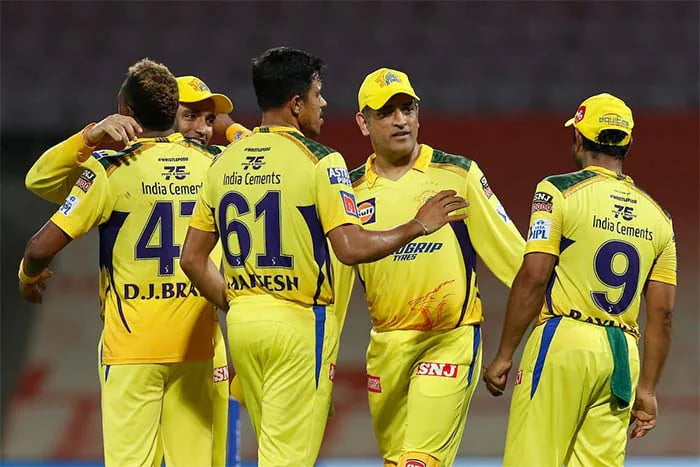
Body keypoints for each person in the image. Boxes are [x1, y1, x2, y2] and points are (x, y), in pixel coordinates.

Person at [179, 47, 467, 467]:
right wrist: (417, 225)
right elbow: (350, 248)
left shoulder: (223, 164)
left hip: (242, 323)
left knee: (273, 450)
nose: (324, 103)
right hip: (297, 324)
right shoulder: (322, 160)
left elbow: (191, 258)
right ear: (297, 103)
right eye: (318, 94)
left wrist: (239, 301)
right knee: (288, 459)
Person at [23, 74, 249, 467]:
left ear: (129, 112)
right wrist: (235, 131)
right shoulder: (217, 167)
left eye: (210, 119)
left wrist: (28, 276)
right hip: (196, 345)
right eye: (192, 116)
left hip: (136, 346)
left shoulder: (112, 169)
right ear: (169, 112)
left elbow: (40, 225)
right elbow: (267, 157)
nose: (202, 128)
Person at [483, 93, 676, 466]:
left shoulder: (557, 191)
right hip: (623, 355)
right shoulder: (660, 218)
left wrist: (505, 354)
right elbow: (663, 314)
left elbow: (535, 275)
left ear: (578, 138)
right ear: (628, 143)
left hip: (565, 339)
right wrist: (648, 389)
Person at [345, 68, 525, 467]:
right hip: (386, 345)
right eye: (386, 112)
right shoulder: (349, 191)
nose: (400, 120)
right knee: (397, 462)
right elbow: (338, 283)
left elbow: (516, 258)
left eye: (407, 109)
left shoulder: (457, 174)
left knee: (419, 462)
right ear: (363, 122)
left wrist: (564, 319)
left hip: (449, 339)